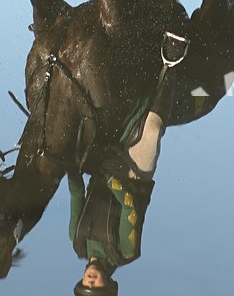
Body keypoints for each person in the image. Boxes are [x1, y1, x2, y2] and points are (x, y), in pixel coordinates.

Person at [69, 31, 188, 295]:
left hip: (102, 168)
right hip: (133, 173)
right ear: (109, 284)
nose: (90, 281)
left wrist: (68, 165)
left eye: (86, 285)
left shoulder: (77, 241)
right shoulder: (125, 252)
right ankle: (171, 62)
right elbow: (129, 207)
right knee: (152, 130)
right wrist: (108, 177)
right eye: (95, 287)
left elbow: (76, 192)